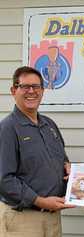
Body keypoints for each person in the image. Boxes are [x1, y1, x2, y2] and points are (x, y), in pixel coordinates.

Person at [0, 66, 74, 237]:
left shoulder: (49, 125)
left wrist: (70, 169)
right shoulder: (7, 129)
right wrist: (40, 201)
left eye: (36, 86)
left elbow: (62, 160)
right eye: (25, 86)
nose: (31, 91)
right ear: (13, 90)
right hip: (23, 220)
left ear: (43, 90)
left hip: (53, 218)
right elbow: (5, 180)